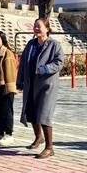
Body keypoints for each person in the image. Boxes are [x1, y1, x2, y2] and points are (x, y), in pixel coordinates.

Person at [16, 18, 64, 159]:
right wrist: (20, 82)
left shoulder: (54, 45)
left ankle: (49, 147)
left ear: (47, 29)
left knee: (44, 114)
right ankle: (38, 137)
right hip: (31, 83)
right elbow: (23, 64)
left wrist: (44, 69)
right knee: (31, 111)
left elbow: (59, 62)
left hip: (46, 85)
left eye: (39, 26)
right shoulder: (31, 44)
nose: (36, 29)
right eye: (35, 26)